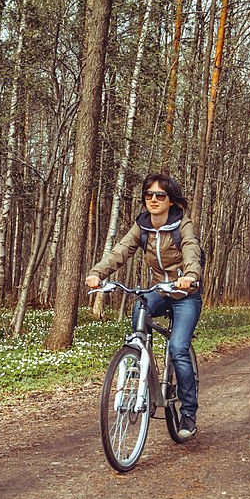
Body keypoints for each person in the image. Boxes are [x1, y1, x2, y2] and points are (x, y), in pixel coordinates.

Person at [85, 173, 203, 438]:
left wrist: (190, 276)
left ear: (171, 200)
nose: (153, 199)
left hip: (186, 293)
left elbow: (191, 251)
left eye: (160, 195)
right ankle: (143, 365)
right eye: (148, 194)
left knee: (178, 348)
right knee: (139, 308)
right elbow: (121, 251)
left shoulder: (182, 225)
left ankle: (188, 415)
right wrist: (98, 273)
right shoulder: (143, 225)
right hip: (159, 290)